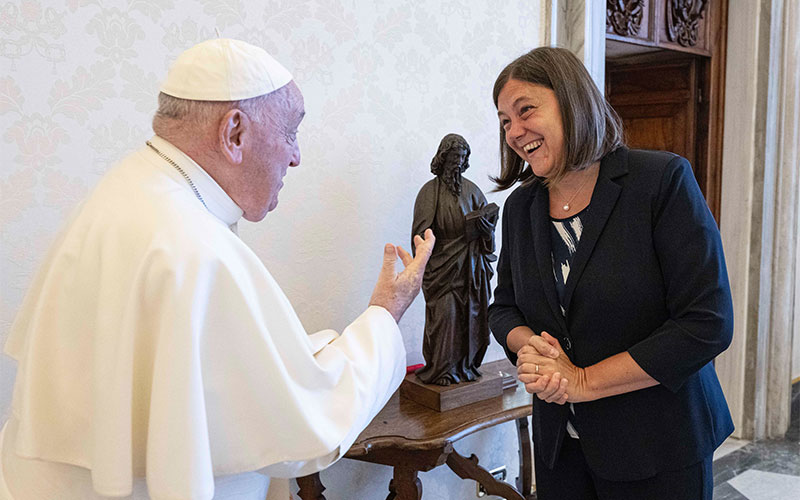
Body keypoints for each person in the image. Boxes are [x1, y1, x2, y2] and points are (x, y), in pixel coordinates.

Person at [0, 38, 435, 500]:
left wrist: (308, 353)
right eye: (290, 132)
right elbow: (306, 421)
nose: (295, 156)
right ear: (233, 133)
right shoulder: (191, 246)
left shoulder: (130, 190)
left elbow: (209, 366)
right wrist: (386, 312)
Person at [488, 47, 733, 500]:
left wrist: (581, 380)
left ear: (572, 102)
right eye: (505, 120)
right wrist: (535, 350)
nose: (515, 132)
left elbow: (707, 323)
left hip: (658, 445)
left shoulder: (661, 181)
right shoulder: (520, 207)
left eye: (526, 111)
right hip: (562, 446)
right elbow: (503, 308)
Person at [411, 134, 497, 386]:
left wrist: (485, 230)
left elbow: (488, 229)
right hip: (443, 267)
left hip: (471, 267)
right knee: (446, 316)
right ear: (443, 157)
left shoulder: (472, 190)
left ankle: (466, 367)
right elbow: (420, 235)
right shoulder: (429, 192)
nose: (458, 162)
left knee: (469, 317)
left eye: (462, 157)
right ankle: (442, 370)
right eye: (454, 157)